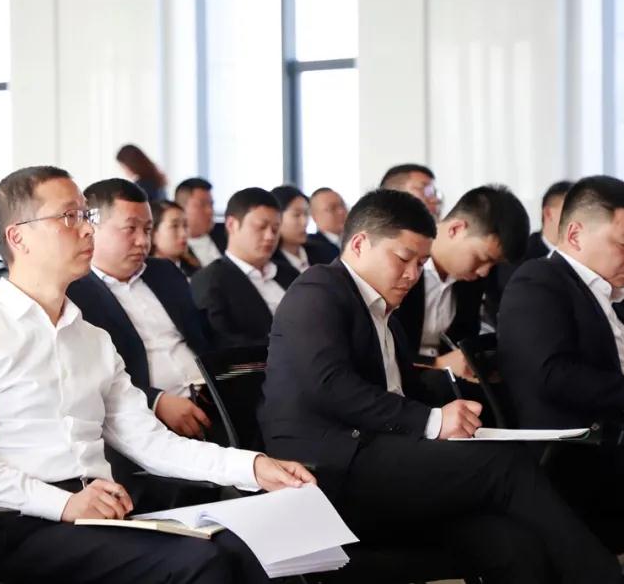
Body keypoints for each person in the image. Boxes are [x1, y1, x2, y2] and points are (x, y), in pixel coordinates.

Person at [0, 165, 316, 584]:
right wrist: (63, 504)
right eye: (69, 217)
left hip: (103, 513)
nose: (86, 229)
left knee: (252, 550)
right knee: (202, 564)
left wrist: (253, 466)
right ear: (18, 237)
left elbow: (151, 442)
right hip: (20, 524)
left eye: (86, 216)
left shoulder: (92, 339)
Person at [262, 188, 620, 583]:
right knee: (504, 464)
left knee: (511, 544)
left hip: (385, 461)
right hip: (330, 466)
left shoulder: (384, 313)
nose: (413, 275)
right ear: (360, 244)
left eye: (420, 263)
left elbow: (406, 392)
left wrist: (456, 420)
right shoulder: (318, 290)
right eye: (403, 259)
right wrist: (432, 421)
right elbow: (329, 384)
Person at [498, 175, 624, 527]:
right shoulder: (539, 280)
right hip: (582, 445)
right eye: (622, 245)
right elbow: (552, 375)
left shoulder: (609, 292)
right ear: (575, 235)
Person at [68, 178, 213, 438]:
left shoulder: (165, 272)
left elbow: (203, 338)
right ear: (92, 227)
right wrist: (155, 401)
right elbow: (89, 380)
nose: (142, 241)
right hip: (143, 422)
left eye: (147, 229)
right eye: (130, 229)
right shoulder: (74, 293)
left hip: (210, 400)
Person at [392, 185, 529, 379]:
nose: (484, 271)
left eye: (493, 264)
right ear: (456, 229)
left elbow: (464, 340)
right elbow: (378, 350)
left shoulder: (470, 279)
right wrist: (437, 364)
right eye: (481, 258)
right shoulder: (398, 261)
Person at [191, 188, 295, 352]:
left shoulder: (289, 274)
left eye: (275, 229)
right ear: (232, 225)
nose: (270, 236)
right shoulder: (210, 281)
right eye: (261, 227)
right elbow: (225, 344)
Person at [271, 185, 335, 282]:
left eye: (306, 214)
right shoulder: (270, 264)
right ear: (276, 218)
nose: (305, 222)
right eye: (296, 215)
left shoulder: (325, 252)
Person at [174, 178, 226, 268]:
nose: (210, 211)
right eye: (202, 205)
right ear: (181, 208)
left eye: (211, 204)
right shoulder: (174, 248)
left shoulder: (227, 232)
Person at [149, 199, 200, 276]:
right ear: (153, 234)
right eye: (174, 226)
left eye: (185, 225)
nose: (184, 234)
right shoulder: (142, 275)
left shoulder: (196, 273)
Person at [307, 187, 347, 261]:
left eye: (342, 205)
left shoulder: (355, 240)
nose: (341, 211)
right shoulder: (311, 249)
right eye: (332, 208)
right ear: (314, 216)